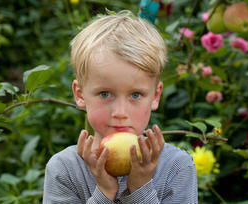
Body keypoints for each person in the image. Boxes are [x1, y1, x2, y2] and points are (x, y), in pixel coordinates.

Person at [43, 10, 198, 204]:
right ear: (80, 94)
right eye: (105, 94)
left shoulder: (176, 167)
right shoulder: (65, 169)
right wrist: (104, 192)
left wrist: (141, 188)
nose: (120, 113)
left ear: (155, 96)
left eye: (135, 95)